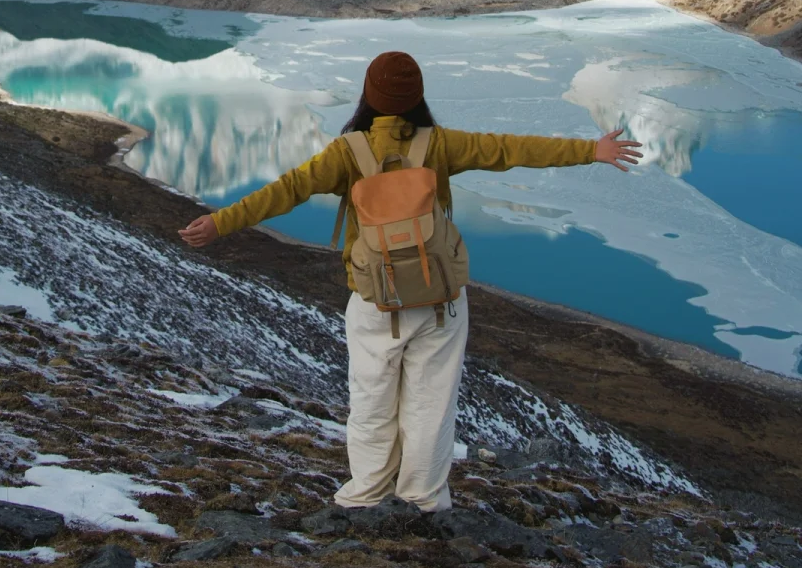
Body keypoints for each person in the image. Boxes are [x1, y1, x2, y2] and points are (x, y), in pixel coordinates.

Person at [179, 49, 642, 515]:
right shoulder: (438, 144)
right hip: (439, 298)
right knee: (430, 407)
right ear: (417, 96)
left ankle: (365, 496)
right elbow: (509, 149)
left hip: (375, 301)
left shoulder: (349, 152)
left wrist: (221, 222)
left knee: (372, 402)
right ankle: (423, 499)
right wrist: (591, 150)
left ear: (368, 95)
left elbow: (287, 190)